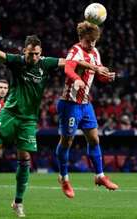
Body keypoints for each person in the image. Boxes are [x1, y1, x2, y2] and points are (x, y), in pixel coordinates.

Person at [0, 20, 110, 217]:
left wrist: (94, 67)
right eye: (30, 53)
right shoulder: (16, 61)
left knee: (24, 158)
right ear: (24, 51)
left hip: (29, 120)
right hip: (9, 114)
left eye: (37, 53)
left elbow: (70, 63)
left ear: (41, 53)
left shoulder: (45, 63)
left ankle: (18, 202)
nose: (34, 57)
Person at [55, 21, 118, 199]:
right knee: (67, 142)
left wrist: (108, 77)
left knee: (94, 139)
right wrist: (76, 78)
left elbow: (99, 75)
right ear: (81, 38)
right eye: (89, 41)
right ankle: (64, 178)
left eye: (94, 41)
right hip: (69, 104)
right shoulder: (75, 50)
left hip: (85, 104)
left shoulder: (95, 52)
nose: (91, 44)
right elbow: (68, 68)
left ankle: (99, 176)